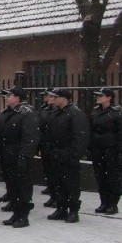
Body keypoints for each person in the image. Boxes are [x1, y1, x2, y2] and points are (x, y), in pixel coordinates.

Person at [0, 86, 40, 228]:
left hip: (19, 154)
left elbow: (30, 137)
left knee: (22, 186)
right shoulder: (7, 112)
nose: (6, 98)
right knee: (12, 185)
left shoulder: (27, 113)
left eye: (9, 95)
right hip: (7, 154)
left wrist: (24, 155)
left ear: (18, 98)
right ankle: (15, 213)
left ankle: (23, 216)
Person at [45, 88, 90, 223]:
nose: (52, 99)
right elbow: (50, 134)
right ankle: (61, 208)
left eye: (55, 97)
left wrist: (71, 154)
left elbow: (80, 138)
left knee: (71, 185)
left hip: (68, 156)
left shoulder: (76, 114)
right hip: (56, 154)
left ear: (63, 98)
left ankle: (73, 211)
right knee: (58, 184)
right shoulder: (55, 113)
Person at [89, 87, 121, 214]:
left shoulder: (116, 112)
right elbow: (91, 130)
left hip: (111, 149)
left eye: (101, 95)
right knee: (100, 177)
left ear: (109, 97)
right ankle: (104, 202)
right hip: (98, 149)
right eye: (97, 95)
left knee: (113, 177)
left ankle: (112, 203)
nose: (98, 97)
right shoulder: (95, 112)